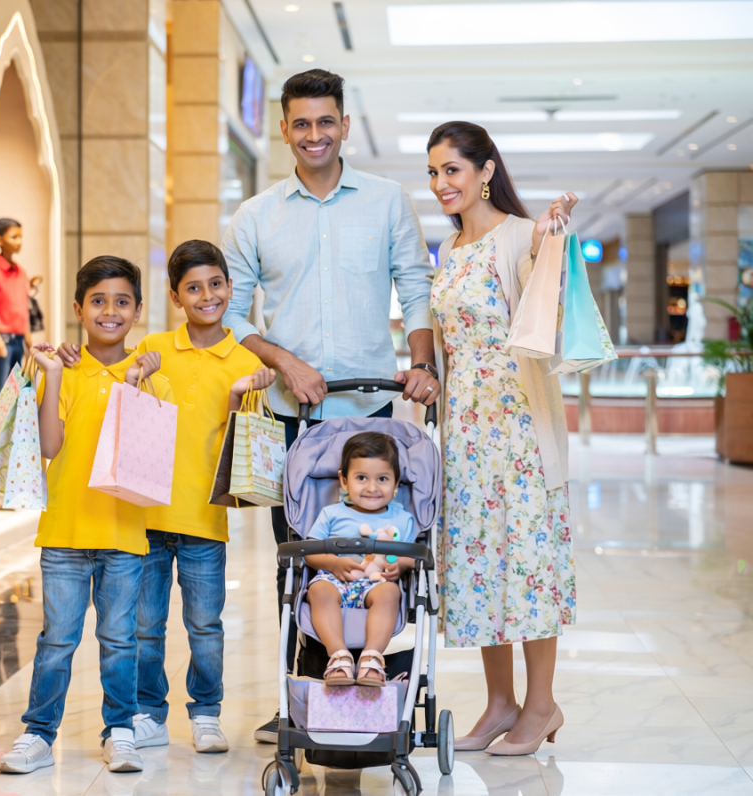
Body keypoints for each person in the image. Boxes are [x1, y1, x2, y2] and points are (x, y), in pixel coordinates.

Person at [220, 68, 440, 744]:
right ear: (283, 129)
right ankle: (303, 695)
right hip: (293, 418)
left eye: (325, 121)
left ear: (344, 125)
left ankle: (374, 680)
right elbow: (232, 314)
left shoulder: (386, 201)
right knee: (301, 558)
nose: (313, 134)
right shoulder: (255, 215)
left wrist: (423, 363)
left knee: (377, 554)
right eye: (301, 123)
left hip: (369, 415)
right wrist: (284, 361)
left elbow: (416, 286)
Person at [426, 122, 577, 756]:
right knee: (483, 565)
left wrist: (547, 246)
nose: (441, 184)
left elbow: (545, 312)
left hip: (518, 430)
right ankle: (500, 704)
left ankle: (541, 706)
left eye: (452, 170)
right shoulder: (450, 246)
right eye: (434, 173)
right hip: (466, 431)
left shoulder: (519, 236)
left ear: (486, 171)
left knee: (529, 565)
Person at [0, 256, 171, 776]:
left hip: (124, 536)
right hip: (65, 533)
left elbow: (143, 458)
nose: (109, 311)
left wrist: (135, 381)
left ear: (137, 311)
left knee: (120, 642)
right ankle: (38, 734)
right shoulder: (65, 370)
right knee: (56, 640)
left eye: (122, 302)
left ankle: (120, 731)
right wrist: (52, 374)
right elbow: (50, 446)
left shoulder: (152, 379)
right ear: (78, 309)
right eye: (98, 301)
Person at [99, 239, 273, 755]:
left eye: (215, 284)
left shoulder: (246, 359)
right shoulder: (153, 347)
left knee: (205, 625)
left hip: (205, 520)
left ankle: (206, 713)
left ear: (231, 287)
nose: (207, 296)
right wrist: (137, 375)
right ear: (175, 296)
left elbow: (244, 444)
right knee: (145, 627)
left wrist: (243, 394)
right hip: (146, 517)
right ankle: (149, 714)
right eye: (193, 288)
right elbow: (127, 411)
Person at [304, 432, 416, 686]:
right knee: (318, 591)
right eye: (361, 478)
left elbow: (413, 557)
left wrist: (401, 564)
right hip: (334, 579)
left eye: (382, 479)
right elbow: (309, 551)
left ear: (396, 483)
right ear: (344, 481)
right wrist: (332, 563)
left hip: (376, 583)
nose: (372, 488)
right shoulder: (331, 514)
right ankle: (339, 657)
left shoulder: (401, 519)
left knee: (390, 593)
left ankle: (371, 658)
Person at [0, 218, 31, 407]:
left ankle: (13, 428)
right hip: (3, 339)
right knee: (0, 390)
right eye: (14, 237)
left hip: (19, 339)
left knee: (16, 390)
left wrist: (29, 341)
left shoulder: (22, 272)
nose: (19, 242)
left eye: (20, 237)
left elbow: (23, 307)